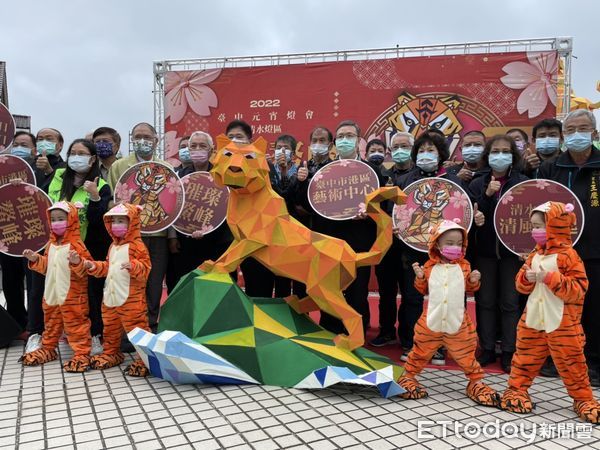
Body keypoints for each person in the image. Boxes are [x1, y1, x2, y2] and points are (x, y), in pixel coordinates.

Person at [500, 202, 600, 424]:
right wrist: (526, 278)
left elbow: (578, 289)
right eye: (533, 226)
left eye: (539, 226)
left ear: (556, 226)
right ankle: (516, 390)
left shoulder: (569, 255)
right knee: (524, 358)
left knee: (572, 363)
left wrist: (549, 278)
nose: (534, 231)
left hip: (563, 324)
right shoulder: (534, 254)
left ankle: (583, 399)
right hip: (533, 320)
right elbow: (521, 285)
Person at [398, 219, 499, 407]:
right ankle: (408, 377)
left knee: (467, 355)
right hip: (431, 320)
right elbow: (422, 289)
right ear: (437, 244)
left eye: (459, 244)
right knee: (419, 351)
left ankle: (476, 382)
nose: (455, 247)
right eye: (450, 243)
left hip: (458, 322)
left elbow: (469, 288)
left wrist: (474, 281)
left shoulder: (465, 266)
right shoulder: (428, 266)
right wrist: (420, 278)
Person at [537, 109, 600, 386]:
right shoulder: (552, 168)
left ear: (595, 134)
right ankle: (556, 358)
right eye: (571, 130)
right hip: (559, 251)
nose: (577, 135)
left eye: (583, 129)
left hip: (595, 249)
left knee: (594, 308)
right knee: (557, 306)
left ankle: (594, 362)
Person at [313, 120, 384, 335]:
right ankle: (329, 331)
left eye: (350, 135)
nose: (345, 140)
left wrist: (369, 213)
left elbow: (381, 209)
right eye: (341, 136)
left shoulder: (372, 171)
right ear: (335, 142)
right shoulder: (323, 172)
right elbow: (313, 205)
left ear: (358, 140)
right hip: (330, 241)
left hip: (358, 241)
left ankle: (356, 334)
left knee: (357, 290)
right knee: (330, 289)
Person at [468, 135, 528, 373]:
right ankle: (488, 347)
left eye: (505, 151)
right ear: (488, 155)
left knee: (510, 303)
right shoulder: (477, 183)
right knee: (485, 302)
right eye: (495, 151)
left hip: (513, 254)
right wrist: (486, 197)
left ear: (513, 155)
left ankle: (510, 350)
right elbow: (470, 215)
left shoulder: (522, 182)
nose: (500, 155)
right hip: (484, 253)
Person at [47, 139, 111, 355]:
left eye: (81, 153)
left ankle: (94, 335)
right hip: (57, 247)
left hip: (87, 248)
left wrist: (94, 195)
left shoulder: (101, 185)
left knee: (90, 293)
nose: (76, 156)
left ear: (92, 158)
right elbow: (44, 204)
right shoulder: (57, 177)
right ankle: (60, 334)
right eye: (73, 152)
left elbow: (97, 220)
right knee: (61, 292)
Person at [395, 131, 452, 364]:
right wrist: (395, 226)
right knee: (411, 297)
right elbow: (396, 211)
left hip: (442, 252)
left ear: (441, 155)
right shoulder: (405, 181)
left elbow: (461, 213)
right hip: (411, 249)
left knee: (440, 298)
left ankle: (438, 346)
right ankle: (411, 343)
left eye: (431, 150)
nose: (425, 155)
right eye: (421, 150)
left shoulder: (452, 180)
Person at [107, 122, 169, 333]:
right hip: (130, 237)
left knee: (154, 283)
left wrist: (172, 238)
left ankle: (150, 325)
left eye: (147, 137)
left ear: (156, 140)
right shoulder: (119, 166)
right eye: (138, 136)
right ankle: (129, 330)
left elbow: (172, 207)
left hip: (159, 235)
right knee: (130, 282)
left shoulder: (165, 168)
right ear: (132, 140)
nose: (142, 141)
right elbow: (111, 200)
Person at [21, 201, 93, 372]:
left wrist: (77, 262)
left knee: (76, 325)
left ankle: (82, 353)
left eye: (61, 219)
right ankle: (48, 348)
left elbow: (86, 268)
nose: (56, 223)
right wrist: (35, 259)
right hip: (52, 294)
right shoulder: (51, 244)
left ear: (72, 220)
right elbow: (47, 266)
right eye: (53, 219)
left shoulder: (77, 245)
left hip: (73, 297)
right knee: (51, 324)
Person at [83, 203, 151, 376]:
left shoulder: (138, 246)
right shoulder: (113, 246)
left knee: (138, 330)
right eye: (114, 221)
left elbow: (146, 267)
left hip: (131, 299)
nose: (116, 225)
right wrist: (93, 266)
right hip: (111, 296)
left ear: (132, 222)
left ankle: (146, 358)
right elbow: (108, 267)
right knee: (110, 329)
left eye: (122, 221)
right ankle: (111, 353)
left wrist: (134, 266)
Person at [166, 131, 234, 292]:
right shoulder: (179, 176)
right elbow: (171, 208)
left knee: (216, 289)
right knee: (187, 287)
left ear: (211, 150)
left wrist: (209, 229)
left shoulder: (223, 175)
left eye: (202, 146)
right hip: (186, 243)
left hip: (218, 242)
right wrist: (174, 236)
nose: (197, 149)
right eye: (193, 146)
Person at [24, 128, 67, 355]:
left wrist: (51, 171)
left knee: (65, 286)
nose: (44, 142)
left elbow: (65, 199)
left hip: (60, 236)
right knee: (36, 287)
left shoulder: (65, 169)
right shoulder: (27, 169)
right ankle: (35, 332)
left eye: (49, 139)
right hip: (32, 235)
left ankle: (66, 330)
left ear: (60, 145)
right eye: (40, 139)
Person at [371, 132, 416, 347]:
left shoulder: (420, 177)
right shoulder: (382, 175)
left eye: (405, 146)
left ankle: (408, 336)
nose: (400, 150)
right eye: (396, 146)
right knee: (386, 291)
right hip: (386, 244)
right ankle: (386, 331)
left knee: (410, 292)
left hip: (411, 246)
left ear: (412, 148)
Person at [224, 120, 275, 297]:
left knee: (261, 287)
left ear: (250, 140)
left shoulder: (261, 165)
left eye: (239, 137)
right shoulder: (223, 166)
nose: (235, 140)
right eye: (230, 137)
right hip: (239, 237)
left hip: (263, 241)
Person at [0, 131, 37, 331]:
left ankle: (35, 324)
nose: (19, 147)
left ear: (33, 149)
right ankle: (17, 324)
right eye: (16, 143)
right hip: (7, 233)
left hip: (33, 234)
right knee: (11, 281)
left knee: (33, 283)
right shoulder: (3, 168)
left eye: (24, 144)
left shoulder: (40, 169)